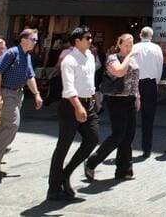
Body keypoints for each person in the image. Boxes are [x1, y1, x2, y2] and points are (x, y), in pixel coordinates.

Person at [0, 28, 43, 183]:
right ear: (23, 39)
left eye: (36, 40)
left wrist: (36, 94)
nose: (35, 43)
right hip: (7, 93)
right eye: (33, 39)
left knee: (2, 128)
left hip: (17, 94)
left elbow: (30, 76)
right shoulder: (12, 53)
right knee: (12, 126)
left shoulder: (26, 56)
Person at [48, 26, 99, 202]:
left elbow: (89, 81)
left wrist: (94, 99)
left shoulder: (91, 57)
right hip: (71, 105)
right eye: (88, 37)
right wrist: (78, 107)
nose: (91, 40)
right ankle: (53, 190)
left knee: (93, 139)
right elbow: (68, 88)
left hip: (88, 104)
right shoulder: (69, 60)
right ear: (77, 41)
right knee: (63, 146)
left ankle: (65, 174)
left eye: (91, 37)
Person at [85, 33, 140, 181]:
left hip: (130, 100)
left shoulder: (133, 60)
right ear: (120, 45)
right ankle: (92, 161)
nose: (129, 48)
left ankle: (124, 170)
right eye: (126, 45)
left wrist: (137, 97)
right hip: (116, 101)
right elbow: (119, 71)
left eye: (131, 44)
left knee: (128, 136)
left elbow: (135, 80)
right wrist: (130, 56)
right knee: (118, 135)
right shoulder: (112, 58)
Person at [130, 26, 163, 158]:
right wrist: (156, 82)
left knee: (131, 116)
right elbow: (160, 67)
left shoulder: (134, 47)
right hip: (150, 83)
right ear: (151, 35)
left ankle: (128, 146)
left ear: (140, 35)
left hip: (135, 83)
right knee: (148, 118)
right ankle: (146, 148)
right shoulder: (156, 48)